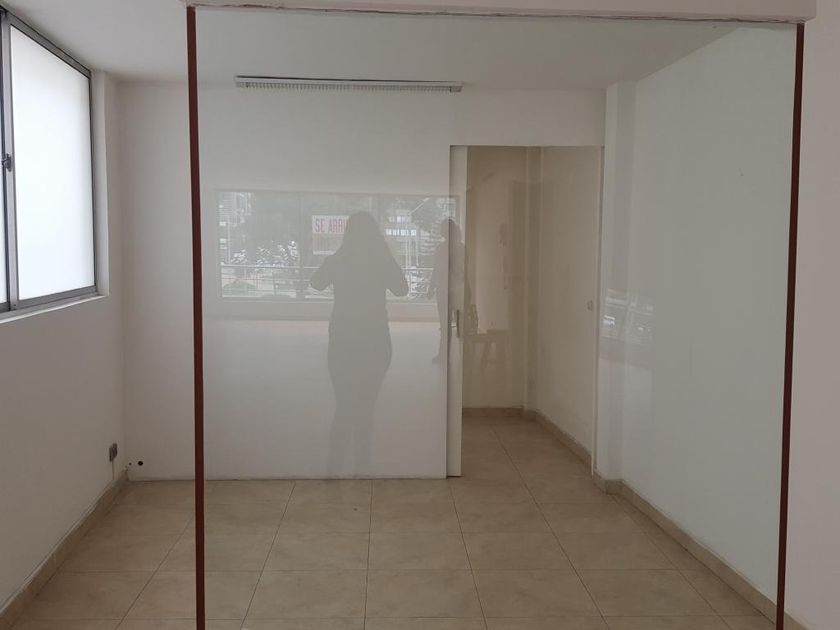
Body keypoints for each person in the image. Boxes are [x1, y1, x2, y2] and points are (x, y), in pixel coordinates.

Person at [310, 211, 408, 473]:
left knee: (344, 405)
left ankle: (333, 468)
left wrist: (337, 258)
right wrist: (385, 255)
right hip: (376, 341)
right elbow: (402, 289)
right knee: (366, 406)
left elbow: (316, 283)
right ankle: (362, 466)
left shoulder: (338, 259)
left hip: (342, 341)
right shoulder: (381, 261)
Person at [428, 218, 465, 362]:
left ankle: (444, 355)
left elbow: (436, 270)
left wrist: (431, 288)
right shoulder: (461, 248)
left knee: (445, 326)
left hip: (445, 290)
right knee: (459, 326)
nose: (441, 230)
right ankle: (461, 356)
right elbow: (465, 272)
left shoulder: (441, 249)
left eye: (442, 228)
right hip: (457, 290)